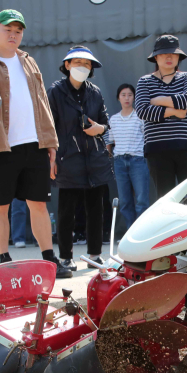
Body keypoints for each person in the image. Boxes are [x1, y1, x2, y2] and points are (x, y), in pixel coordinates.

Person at [0, 9, 71, 278]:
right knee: (0, 206)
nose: (13, 35)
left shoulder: (29, 62)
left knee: (39, 203)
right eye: (7, 29)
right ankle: (2, 259)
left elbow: (43, 104)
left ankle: (50, 259)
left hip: (34, 144)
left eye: (18, 30)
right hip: (1, 145)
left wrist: (51, 144)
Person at [47, 45, 114, 271]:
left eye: (87, 64)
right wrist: (51, 156)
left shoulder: (94, 91)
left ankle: (95, 255)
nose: (82, 67)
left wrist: (100, 129)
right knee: (66, 211)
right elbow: (49, 126)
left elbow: (105, 122)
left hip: (95, 159)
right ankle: (66, 257)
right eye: (77, 63)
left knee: (96, 209)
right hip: (67, 158)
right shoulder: (55, 91)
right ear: (67, 65)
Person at [135, 35, 187, 208]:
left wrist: (157, 100)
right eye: (164, 53)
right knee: (165, 203)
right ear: (155, 57)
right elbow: (142, 110)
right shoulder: (145, 81)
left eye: (173, 53)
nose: (169, 57)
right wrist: (175, 111)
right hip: (158, 149)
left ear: (179, 57)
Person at [107, 83, 149, 229]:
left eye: (130, 95)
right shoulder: (113, 119)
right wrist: (111, 156)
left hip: (137, 160)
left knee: (142, 199)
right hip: (119, 162)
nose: (127, 98)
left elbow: (147, 138)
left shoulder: (140, 117)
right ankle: (130, 232)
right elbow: (110, 141)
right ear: (118, 98)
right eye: (123, 95)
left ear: (134, 98)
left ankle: (141, 232)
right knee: (125, 201)